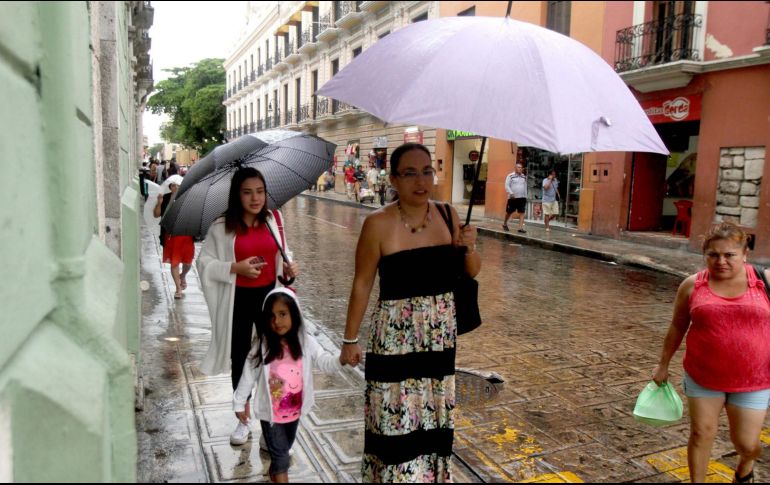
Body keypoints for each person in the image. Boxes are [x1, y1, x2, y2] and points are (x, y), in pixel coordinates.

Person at [339, 143, 481, 482]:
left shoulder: (448, 214)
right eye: (410, 173)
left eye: (427, 171)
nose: (421, 181)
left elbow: (471, 271)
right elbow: (362, 283)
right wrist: (350, 340)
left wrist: (469, 245)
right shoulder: (377, 223)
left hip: (438, 336)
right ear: (394, 179)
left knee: (433, 420)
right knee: (393, 421)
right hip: (393, 338)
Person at [652, 222, 770, 484]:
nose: (721, 261)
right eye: (713, 255)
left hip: (754, 379)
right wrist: (663, 365)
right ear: (704, 255)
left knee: (748, 443)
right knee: (701, 434)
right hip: (703, 376)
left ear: (744, 255)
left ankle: (745, 465)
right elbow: (677, 326)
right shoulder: (692, 286)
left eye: (729, 255)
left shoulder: (763, 281)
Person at [196, 167, 300, 446]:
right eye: (247, 192)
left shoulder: (273, 219)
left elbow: (282, 253)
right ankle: (243, 420)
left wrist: (289, 267)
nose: (255, 198)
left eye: (260, 191)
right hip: (237, 300)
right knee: (241, 360)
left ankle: (274, 425)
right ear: (236, 195)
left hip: (270, 300)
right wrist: (234, 267)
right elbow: (203, 263)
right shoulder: (222, 227)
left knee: (275, 359)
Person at [234, 288, 348, 483]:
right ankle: (279, 474)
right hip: (271, 416)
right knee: (281, 456)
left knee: (284, 449)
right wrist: (239, 402)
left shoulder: (306, 342)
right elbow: (247, 375)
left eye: (283, 314)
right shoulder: (262, 345)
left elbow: (324, 361)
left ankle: (275, 472)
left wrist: (341, 360)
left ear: (294, 314)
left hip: (294, 412)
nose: (277, 321)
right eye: (272, 316)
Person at [153, 174, 194, 299]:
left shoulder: (188, 199)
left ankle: (183, 275)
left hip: (185, 234)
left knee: (188, 262)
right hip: (170, 234)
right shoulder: (165, 198)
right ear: (170, 187)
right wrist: (159, 203)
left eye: (178, 186)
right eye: (173, 185)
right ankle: (178, 288)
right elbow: (156, 215)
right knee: (174, 262)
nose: (175, 187)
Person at [503, 163, 527, 233]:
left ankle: (520, 228)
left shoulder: (523, 176)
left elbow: (525, 186)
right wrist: (511, 193)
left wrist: (525, 195)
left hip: (522, 197)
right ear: (515, 168)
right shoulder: (510, 176)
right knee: (509, 212)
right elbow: (507, 185)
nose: (520, 169)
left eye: (521, 167)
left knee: (522, 212)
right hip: (513, 198)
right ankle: (504, 223)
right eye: (519, 167)